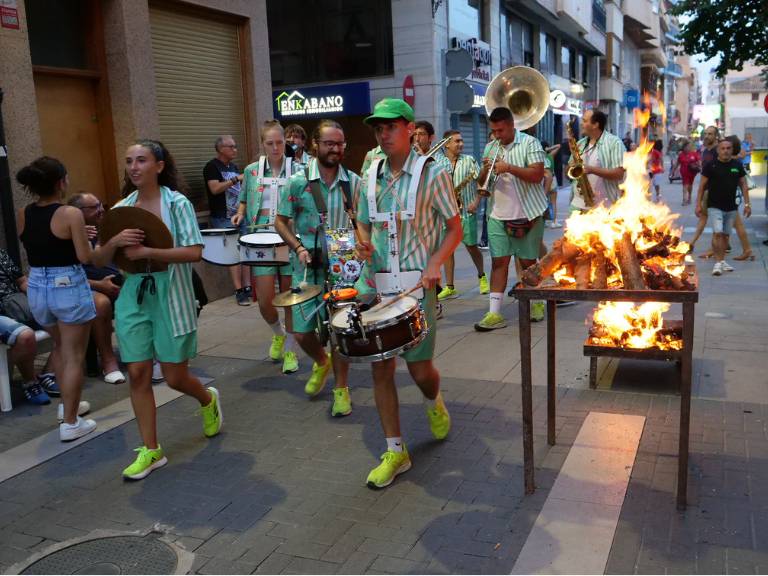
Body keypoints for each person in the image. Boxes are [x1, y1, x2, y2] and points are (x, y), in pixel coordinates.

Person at [91, 139, 222, 480]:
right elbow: (98, 259)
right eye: (129, 161)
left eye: (141, 160)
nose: (134, 167)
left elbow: (194, 251)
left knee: (175, 376)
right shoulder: (121, 208)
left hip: (171, 294)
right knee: (137, 372)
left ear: (159, 166)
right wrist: (114, 244)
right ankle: (151, 450)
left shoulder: (177, 204)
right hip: (134, 294)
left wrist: (149, 252)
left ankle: (207, 399)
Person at [355, 98, 461, 488]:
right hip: (378, 286)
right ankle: (395, 450)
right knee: (380, 367)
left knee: (419, 371)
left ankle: (433, 400)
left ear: (409, 128)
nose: (383, 134)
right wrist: (362, 244)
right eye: (377, 128)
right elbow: (362, 226)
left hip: (418, 286)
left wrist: (436, 263)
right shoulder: (369, 175)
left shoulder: (432, 175)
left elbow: (455, 229)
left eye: (390, 127)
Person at [275, 119, 362, 416]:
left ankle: (342, 391)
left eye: (340, 144)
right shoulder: (298, 182)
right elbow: (280, 221)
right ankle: (321, 362)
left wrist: (362, 248)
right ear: (315, 144)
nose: (336, 149)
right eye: (329, 143)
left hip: (342, 262)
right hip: (307, 262)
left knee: (341, 333)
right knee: (300, 332)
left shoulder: (353, 181)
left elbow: (362, 224)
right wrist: (297, 247)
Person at [16, 156, 97, 441]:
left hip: (37, 285)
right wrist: (109, 244)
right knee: (74, 355)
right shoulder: (70, 213)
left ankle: (68, 407)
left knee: (61, 348)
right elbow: (85, 257)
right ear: (61, 182)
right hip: (67, 285)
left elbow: (43, 241)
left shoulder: (23, 212)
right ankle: (71, 423)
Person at [232, 121, 299, 374]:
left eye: (279, 142)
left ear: (285, 142)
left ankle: (291, 348)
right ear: (262, 144)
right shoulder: (251, 171)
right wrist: (240, 214)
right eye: (270, 143)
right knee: (264, 300)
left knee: (291, 297)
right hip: (261, 238)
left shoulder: (298, 169)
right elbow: (244, 199)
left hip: (290, 239)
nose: (275, 147)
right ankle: (278, 333)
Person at [473, 107, 547, 330]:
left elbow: (536, 175)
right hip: (497, 214)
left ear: (512, 125)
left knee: (527, 263)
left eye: (501, 130)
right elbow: (480, 180)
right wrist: (486, 171)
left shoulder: (530, 143)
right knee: (498, 262)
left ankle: (535, 302)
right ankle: (494, 313)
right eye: (494, 131)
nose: (497, 135)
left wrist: (509, 168)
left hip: (528, 213)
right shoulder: (490, 146)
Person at [67, 193, 126, 385]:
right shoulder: (67, 236)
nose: (101, 210)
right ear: (78, 213)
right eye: (94, 207)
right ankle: (108, 362)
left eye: (100, 204)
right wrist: (99, 285)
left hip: (115, 281)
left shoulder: (106, 229)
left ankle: (152, 353)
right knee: (101, 304)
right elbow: (67, 275)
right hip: (83, 287)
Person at [0, 248, 59, 401]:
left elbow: (21, 281)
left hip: (17, 305)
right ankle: (30, 382)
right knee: (26, 337)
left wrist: (40, 298)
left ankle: (48, 373)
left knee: (67, 323)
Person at [436, 129, 488, 299]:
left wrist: (476, 202)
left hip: (466, 211)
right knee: (447, 250)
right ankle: (450, 286)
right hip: (446, 213)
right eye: (457, 141)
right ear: (446, 144)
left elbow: (481, 183)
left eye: (461, 141)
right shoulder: (437, 161)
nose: (461, 144)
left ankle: (482, 276)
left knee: (471, 246)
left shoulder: (469, 160)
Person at [203, 135, 250, 306]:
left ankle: (247, 287)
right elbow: (215, 189)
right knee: (233, 254)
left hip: (239, 213)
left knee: (245, 251)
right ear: (221, 149)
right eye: (232, 146)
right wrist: (236, 178)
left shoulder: (233, 166)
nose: (235, 149)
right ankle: (239, 291)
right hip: (223, 216)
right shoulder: (212, 167)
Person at [696, 138, 751, 276]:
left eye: (728, 148)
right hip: (714, 206)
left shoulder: (737, 165)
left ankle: (721, 261)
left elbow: (743, 184)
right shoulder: (711, 165)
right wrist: (698, 204)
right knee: (718, 232)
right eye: (723, 148)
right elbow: (701, 187)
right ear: (718, 150)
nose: (725, 151)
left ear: (732, 150)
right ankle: (718, 262)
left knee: (726, 236)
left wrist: (747, 204)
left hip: (731, 207)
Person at [568, 109, 626, 212]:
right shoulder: (581, 143)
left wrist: (592, 170)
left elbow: (619, 174)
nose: (581, 124)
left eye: (585, 121)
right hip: (577, 205)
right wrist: (572, 167)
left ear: (595, 125)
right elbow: (568, 172)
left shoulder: (614, 143)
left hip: (604, 208)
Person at [674, 140, 701, 206]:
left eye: (689, 147)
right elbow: (677, 163)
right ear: (683, 147)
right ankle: (684, 200)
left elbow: (699, 161)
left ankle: (689, 197)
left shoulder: (694, 154)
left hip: (692, 172)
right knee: (685, 185)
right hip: (684, 172)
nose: (687, 148)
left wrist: (698, 165)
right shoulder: (681, 155)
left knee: (690, 185)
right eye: (686, 147)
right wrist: (673, 171)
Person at [542, 142, 562, 227]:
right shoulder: (550, 156)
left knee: (543, 201)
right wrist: (549, 149)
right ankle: (554, 222)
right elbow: (559, 145)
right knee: (553, 202)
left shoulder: (539, 158)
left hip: (543, 180)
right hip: (552, 179)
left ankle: (543, 222)